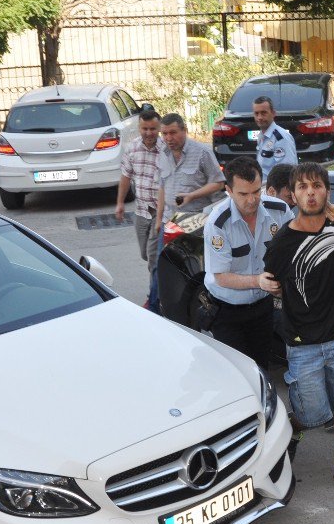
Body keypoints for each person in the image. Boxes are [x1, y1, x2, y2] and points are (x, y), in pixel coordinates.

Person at [260, 163, 334, 494]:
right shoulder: (282, 243)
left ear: (327, 191)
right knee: (311, 414)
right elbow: (274, 284)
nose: (311, 192)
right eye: (303, 187)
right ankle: (293, 427)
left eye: (317, 186)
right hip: (302, 341)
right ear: (292, 195)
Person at [203, 156, 293, 369]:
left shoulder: (278, 211)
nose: (252, 200)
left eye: (256, 192)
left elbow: (294, 248)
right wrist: (259, 281)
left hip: (262, 307)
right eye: (243, 194)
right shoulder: (218, 223)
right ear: (229, 190)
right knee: (238, 373)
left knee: (261, 367)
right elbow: (221, 277)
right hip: (227, 311)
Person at [151, 113, 225, 314]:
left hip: (195, 223)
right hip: (169, 222)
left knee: (192, 272)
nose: (168, 138)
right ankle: (157, 310)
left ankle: (191, 311)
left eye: (173, 133)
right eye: (164, 134)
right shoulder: (162, 153)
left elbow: (218, 182)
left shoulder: (201, 152)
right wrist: (158, 220)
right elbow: (162, 187)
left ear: (184, 130)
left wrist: (192, 195)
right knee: (161, 269)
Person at [115, 108, 165, 310]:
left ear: (159, 127)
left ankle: (154, 299)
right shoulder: (132, 148)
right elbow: (126, 177)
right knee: (146, 255)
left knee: (153, 258)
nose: (149, 133)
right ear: (139, 128)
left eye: (153, 128)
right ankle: (158, 289)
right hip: (140, 212)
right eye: (145, 128)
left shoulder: (166, 150)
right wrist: (119, 203)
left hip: (159, 212)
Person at [253, 96, 298, 182]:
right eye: (256, 113)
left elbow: (288, 173)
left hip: (275, 191)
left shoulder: (281, 137)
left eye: (263, 113)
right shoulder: (262, 136)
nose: (259, 118)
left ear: (273, 113)